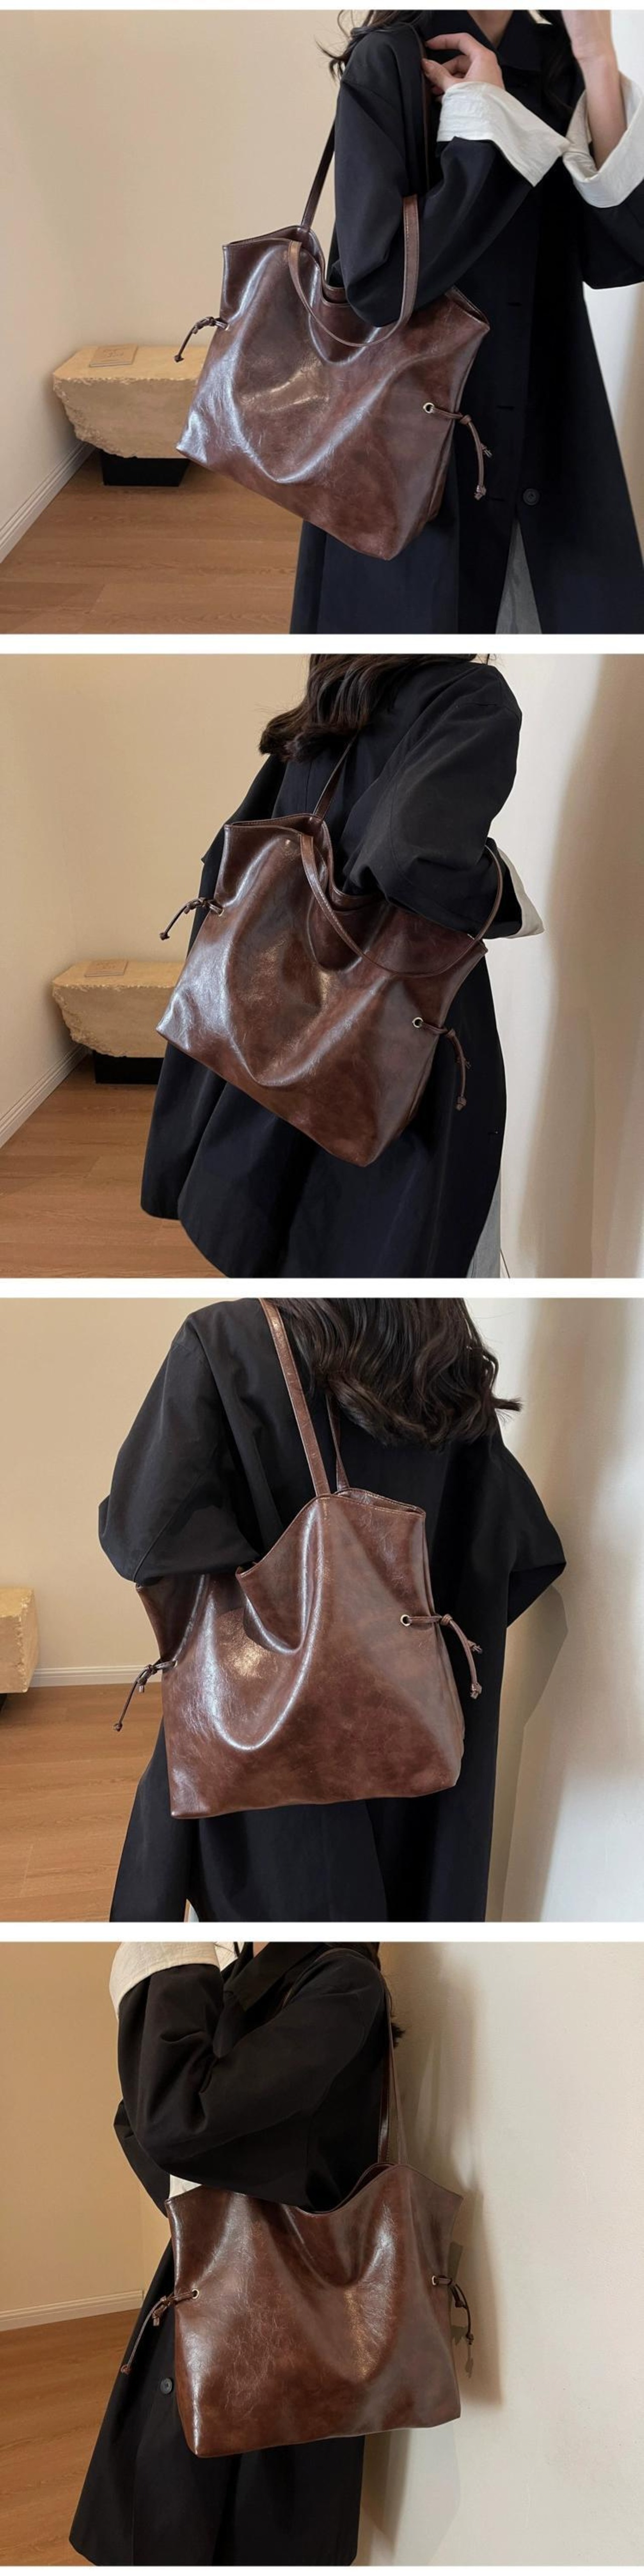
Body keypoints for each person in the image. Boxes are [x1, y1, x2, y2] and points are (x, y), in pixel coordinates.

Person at [105, 1296, 565, 1922]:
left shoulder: (229, 1338)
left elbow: (142, 1535)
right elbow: (513, 1552)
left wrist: (276, 1607)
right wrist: (391, 1644)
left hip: (271, 1754)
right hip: (414, 1740)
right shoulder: (442, 1350)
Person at [141, 654, 539, 1279]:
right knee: (394, 1240)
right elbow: (410, 858)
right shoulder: (468, 693)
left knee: (285, 1229)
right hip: (389, 1034)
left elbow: (236, 847)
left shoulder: (340, 683)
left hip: (280, 1012)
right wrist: (505, 897)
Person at [291, 9, 644, 635]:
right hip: (410, 436)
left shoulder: (557, 58)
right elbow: (380, 287)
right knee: (416, 623)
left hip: (543, 412)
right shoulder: (392, 59)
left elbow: (620, 252)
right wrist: (484, 120)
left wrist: (596, 59)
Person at [70, 1940, 390, 2566]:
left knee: (246, 2516)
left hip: (288, 2315)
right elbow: (141, 2119)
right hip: (215, 2274)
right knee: (172, 2495)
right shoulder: (245, 1974)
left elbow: (174, 2119)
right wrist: (197, 2197)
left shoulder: (342, 1981)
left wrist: (164, 1955)